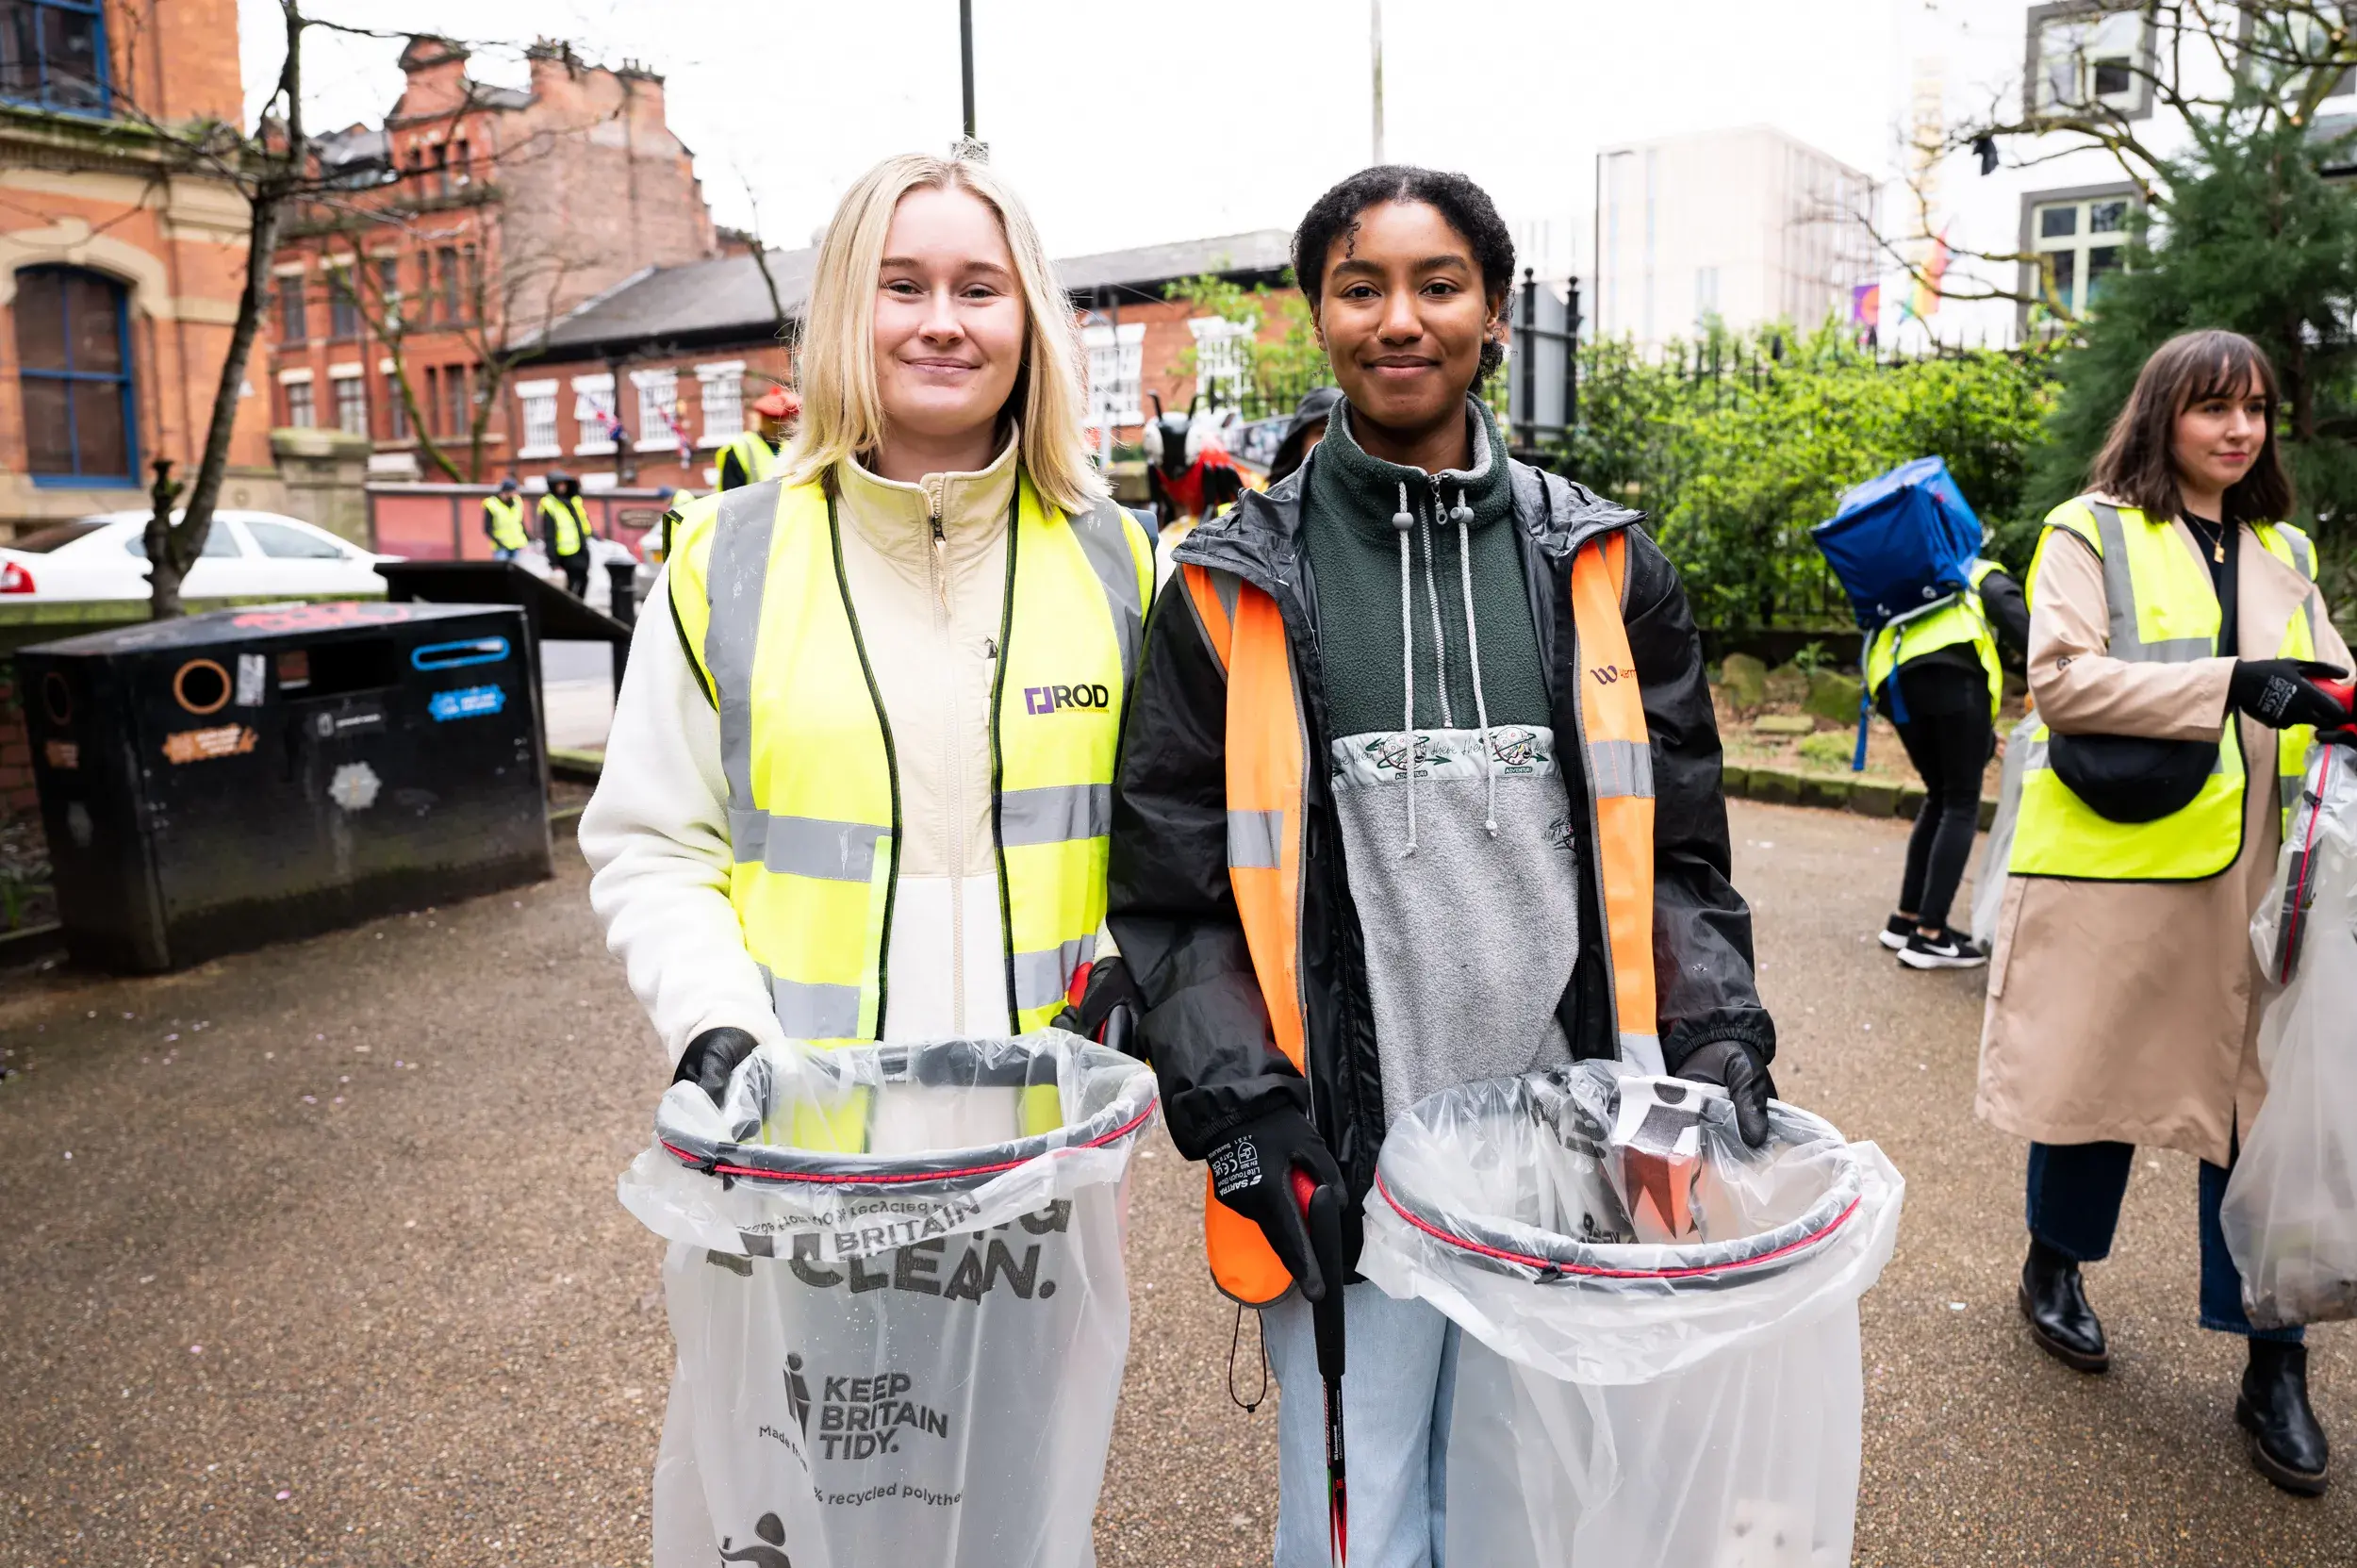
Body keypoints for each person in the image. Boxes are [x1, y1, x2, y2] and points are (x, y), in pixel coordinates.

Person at [1107, 166, 1776, 1568]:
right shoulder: (1233, 582)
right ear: (1320, 315)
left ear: (1493, 311)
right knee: (1353, 1522)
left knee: (1536, 1505)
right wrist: (1245, 1111)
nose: (1398, 318)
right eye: (1362, 287)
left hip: (1581, 1141)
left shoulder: (1603, 561)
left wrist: (1716, 1036)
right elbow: (1173, 893)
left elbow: (1680, 852)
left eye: (1437, 284)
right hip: (1349, 1161)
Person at [581, 147, 1152, 1106]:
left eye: (979, 289)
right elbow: (655, 844)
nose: (940, 322)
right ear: (849, 307)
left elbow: (1167, 837)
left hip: (1050, 1135)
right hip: (805, 1132)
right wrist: (716, 1020)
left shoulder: (1123, 562)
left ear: (1029, 320)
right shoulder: (725, 559)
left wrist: (1127, 968)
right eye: (902, 286)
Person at [1979, 328, 2349, 1496]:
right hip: (2121, 867)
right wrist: (2233, 685)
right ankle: (2053, 1268)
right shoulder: (2089, 530)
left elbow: (2326, 679)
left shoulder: (2282, 545)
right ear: (2162, 415)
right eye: (2212, 408)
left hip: (2259, 875)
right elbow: (2064, 678)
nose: (2238, 430)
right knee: (2093, 1092)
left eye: (2254, 411)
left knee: (2255, 1113)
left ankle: (2271, 1360)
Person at [1868, 555, 2031, 969]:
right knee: (1960, 800)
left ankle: (1905, 920)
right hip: (1952, 677)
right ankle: (1930, 936)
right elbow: (2025, 627)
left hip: (1893, 683)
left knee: (1939, 794)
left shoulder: (1909, 574)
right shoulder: (1976, 569)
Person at [716, 388, 796, 490]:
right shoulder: (740, 447)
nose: (784, 424)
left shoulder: (789, 447)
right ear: (765, 420)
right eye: (775, 419)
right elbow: (730, 493)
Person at [1265, 384, 1343, 487]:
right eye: (1322, 432)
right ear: (1301, 441)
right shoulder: (1275, 500)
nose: (1333, 441)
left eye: (1343, 432)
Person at [538, 470, 592, 598]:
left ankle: (578, 606)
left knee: (584, 579)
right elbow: (549, 533)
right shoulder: (549, 504)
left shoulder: (573, 501)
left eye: (564, 484)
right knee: (573, 583)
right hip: (565, 552)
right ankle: (573, 608)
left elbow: (581, 522)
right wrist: (552, 559)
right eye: (559, 485)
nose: (562, 487)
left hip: (580, 547)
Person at [482, 476, 528, 561]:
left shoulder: (517, 501)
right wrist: (498, 542)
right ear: (506, 491)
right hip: (501, 547)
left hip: (517, 544)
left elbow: (520, 522)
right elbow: (487, 528)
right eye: (513, 491)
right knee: (502, 572)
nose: (515, 494)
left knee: (517, 572)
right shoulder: (491, 504)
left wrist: (528, 537)